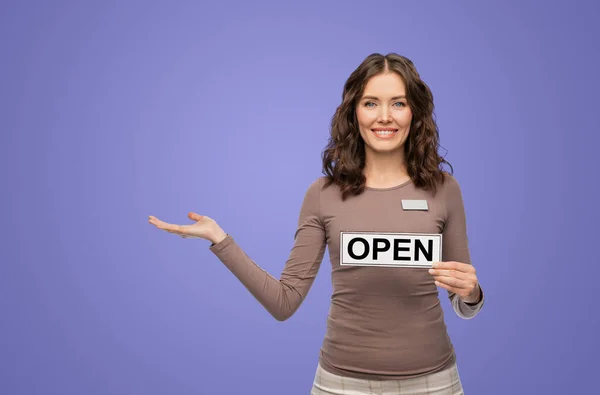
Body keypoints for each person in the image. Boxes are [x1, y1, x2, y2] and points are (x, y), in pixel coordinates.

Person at [148, 52, 484, 395]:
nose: (384, 117)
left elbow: (463, 300)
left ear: (414, 112)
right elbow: (284, 302)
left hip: (433, 383)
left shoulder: (444, 190)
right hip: (340, 386)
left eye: (398, 103)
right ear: (354, 112)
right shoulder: (323, 195)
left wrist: (472, 294)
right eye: (371, 103)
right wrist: (220, 239)